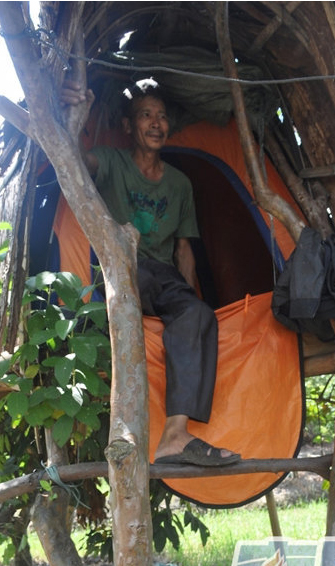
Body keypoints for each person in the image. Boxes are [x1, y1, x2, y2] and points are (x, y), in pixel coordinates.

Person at [61, 78, 240, 467]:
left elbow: (183, 249)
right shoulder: (111, 161)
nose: (156, 123)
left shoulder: (180, 183)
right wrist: (75, 116)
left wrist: (190, 301)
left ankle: (175, 435)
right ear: (128, 126)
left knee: (198, 315)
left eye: (161, 116)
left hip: (165, 273)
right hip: (124, 263)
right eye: (146, 115)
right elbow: (74, 159)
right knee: (133, 284)